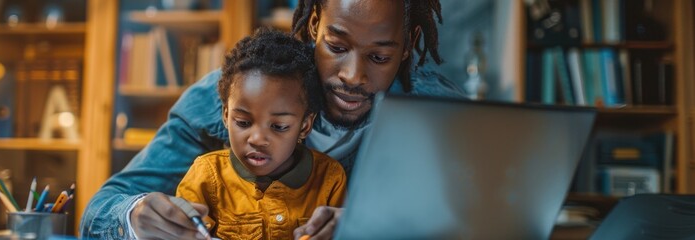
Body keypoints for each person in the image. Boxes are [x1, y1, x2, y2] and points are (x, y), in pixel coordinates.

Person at [80, 0, 463, 239]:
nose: (353, 75)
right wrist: (134, 216)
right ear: (314, 23)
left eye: (379, 57)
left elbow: (476, 221)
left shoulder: (441, 114)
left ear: (409, 43)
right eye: (337, 46)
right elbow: (98, 211)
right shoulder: (226, 98)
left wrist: (372, 229)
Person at [175, 28, 346, 240]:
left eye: (279, 126)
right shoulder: (205, 177)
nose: (257, 139)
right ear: (226, 116)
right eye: (243, 122)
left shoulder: (330, 179)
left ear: (304, 126)